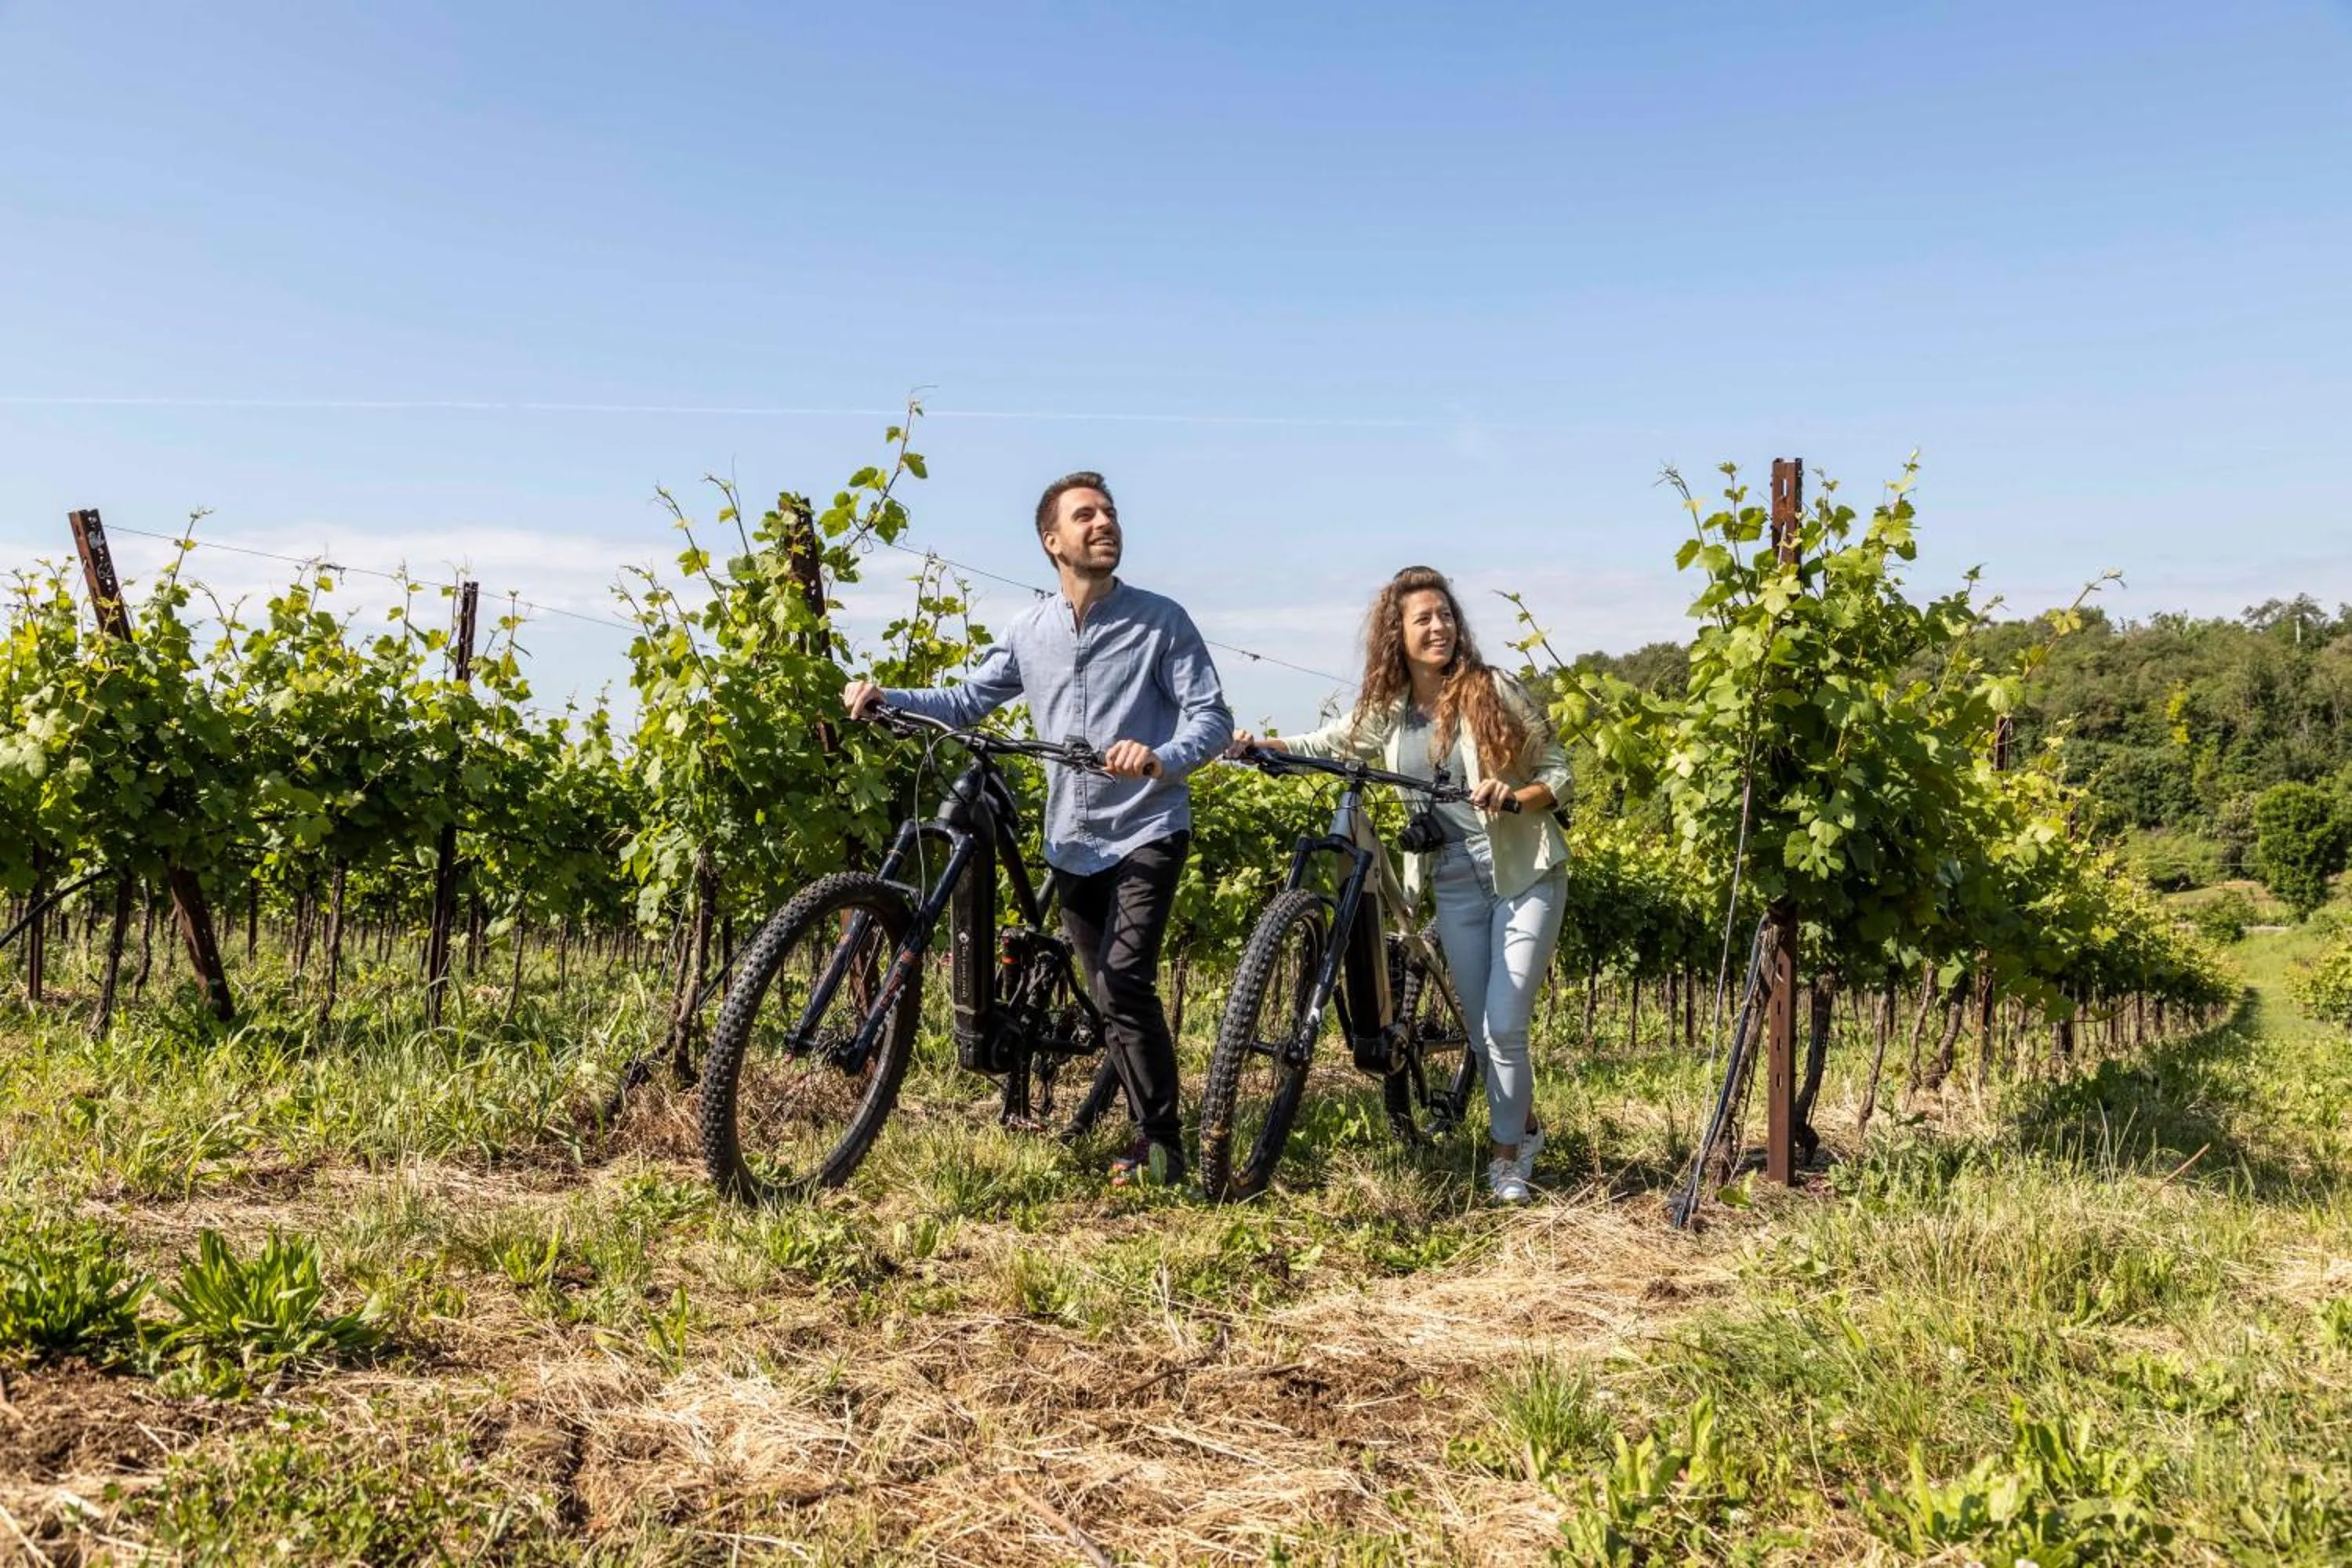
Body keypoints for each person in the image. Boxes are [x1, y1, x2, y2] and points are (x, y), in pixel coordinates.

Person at [844, 471, 1233, 1187]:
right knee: (1104, 990)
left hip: (1148, 825)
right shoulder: (1030, 631)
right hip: (1073, 840)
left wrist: (1160, 757)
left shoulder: (1162, 621)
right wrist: (884, 699)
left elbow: (1212, 718)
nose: (1104, 523)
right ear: (1053, 541)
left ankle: (1162, 1145)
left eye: (1110, 512)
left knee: (1124, 981)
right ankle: (1125, 1105)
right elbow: (965, 699)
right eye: (1086, 516)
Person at [1231, 566, 1570, 1203]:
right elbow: (1328, 743)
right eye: (1424, 619)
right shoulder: (1389, 713)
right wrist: (1261, 746)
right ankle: (1524, 1126)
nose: (1440, 627)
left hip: (1523, 869)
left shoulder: (1492, 688)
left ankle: (1506, 1163)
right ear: (1398, 634)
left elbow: (1558, 769)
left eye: (1446, 615)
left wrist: (1515, 796)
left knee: (1503, 1026)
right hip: (1453, 879)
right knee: (1481, 1032)